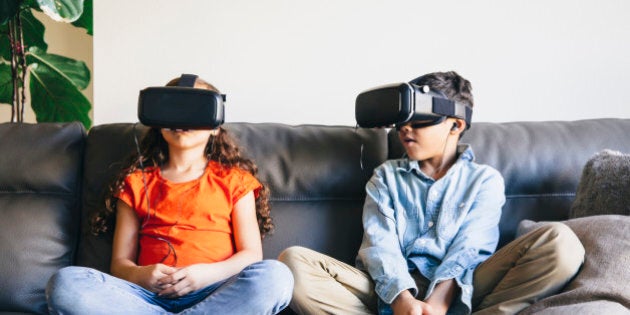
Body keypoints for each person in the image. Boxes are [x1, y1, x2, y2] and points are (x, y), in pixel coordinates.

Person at [279, 71, 585, 315]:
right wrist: (403, 302)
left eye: (420, 120)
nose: (406, 129)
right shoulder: (386, 177)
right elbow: (379, 245)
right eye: (403, 121)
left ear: (455, 125)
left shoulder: (484, 180)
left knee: (562, 244)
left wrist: (437, 305)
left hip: (466, 289)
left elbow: (471, 247)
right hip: (388, 294)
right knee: (292, 263)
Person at [46, 75, 293, 315]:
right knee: (66, 283)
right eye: (174, 109)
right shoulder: (134, 183)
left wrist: (204, 275)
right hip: (147, 296)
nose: (182, 120)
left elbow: (251, 255)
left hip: (216, 292)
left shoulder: (235, 181)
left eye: (195, 110)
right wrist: (142, 275)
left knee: (275, 277)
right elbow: (120, 264)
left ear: (215, 127)